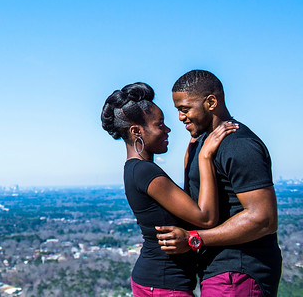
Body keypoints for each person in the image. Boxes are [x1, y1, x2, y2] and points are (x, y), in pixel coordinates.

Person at [102, 82, 238, 297]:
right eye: (160, 124)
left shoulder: (135, 169)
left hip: (154, 281)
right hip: (165, 285)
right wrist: (204, 157)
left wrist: (189, 158)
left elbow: (182, 206)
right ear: (137, 131)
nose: (167, 129)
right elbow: (205, 218)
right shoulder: (145, 172)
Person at [156, 70, 282, 297]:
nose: (180, 118)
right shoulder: (204, 144)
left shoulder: (239, 145)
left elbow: (263, 219)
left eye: (185, 109)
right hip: (219, 272)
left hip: (240, 272)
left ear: (211, 102)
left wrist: (194, 239)